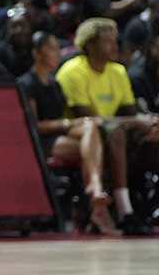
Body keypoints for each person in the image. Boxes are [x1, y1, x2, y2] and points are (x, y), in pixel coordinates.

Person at [58, 17, 158, 235]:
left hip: (114, 132)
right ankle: (125, 211)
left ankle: (147, 208)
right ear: (89, 45)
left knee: (151, 135)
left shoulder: (118, 71)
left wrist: (148, 124)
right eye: (107, 41)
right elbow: (89, 118)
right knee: (116, 133)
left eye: (115, 40)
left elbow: (130, 113)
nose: (114, 46)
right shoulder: (73, 71)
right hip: (80, 134)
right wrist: (136, 122)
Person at [18, 31, 119, 235]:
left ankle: (95, 194)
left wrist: (81, 123)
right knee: (93, 149)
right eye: (51, 48)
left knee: (90, 131)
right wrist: (69, 123)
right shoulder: (27, 84)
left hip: (61, 138)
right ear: (37, 53)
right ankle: (96, 200)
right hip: (39, 143)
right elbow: (34, 126)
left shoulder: (55, 84)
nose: (58, 53)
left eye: (58, 48)